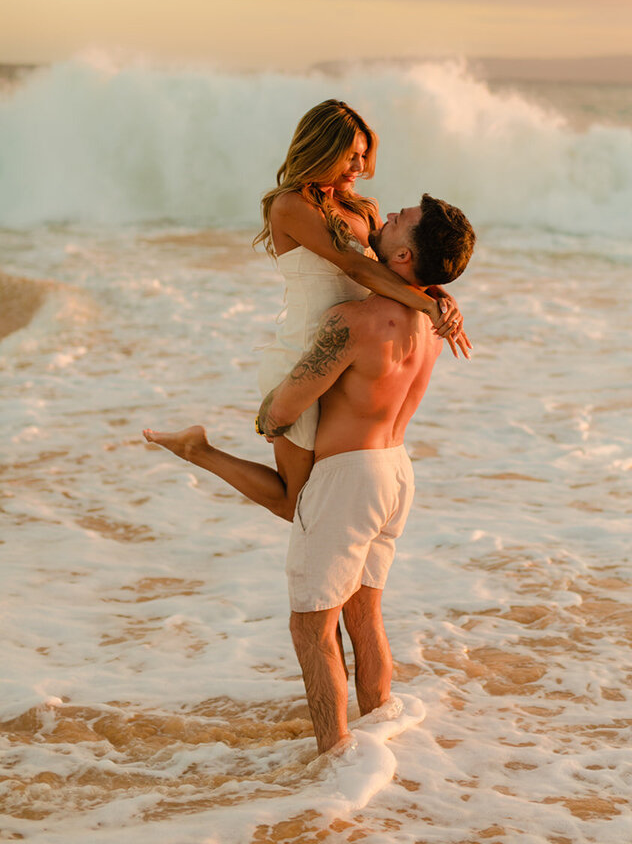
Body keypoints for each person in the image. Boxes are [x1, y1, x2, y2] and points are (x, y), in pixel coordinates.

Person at [143, 100, 469, 520]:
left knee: (328, 491)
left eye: (363, 154)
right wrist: (428, 306)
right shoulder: (290, 206)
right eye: (350, 154)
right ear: (322, 147)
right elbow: (354, 266)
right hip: (300, 355)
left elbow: (398, 264)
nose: (360, 164)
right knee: (293, 502)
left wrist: (443, 296)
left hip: (341, 355)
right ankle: (196, 449)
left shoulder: (359, 208)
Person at [257, 195, 475, 755]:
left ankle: (335, 762)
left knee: (311, 627)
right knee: (364, 612)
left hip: (347, 481)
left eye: (400, 220)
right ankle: (382, 726)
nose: (388, 214)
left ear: (402, 256)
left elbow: (281, 410)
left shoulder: (353, 321)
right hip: (396, 471)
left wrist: (269, 415)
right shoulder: (431, 323)